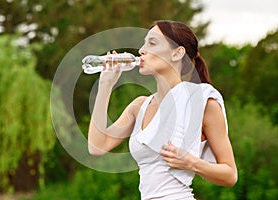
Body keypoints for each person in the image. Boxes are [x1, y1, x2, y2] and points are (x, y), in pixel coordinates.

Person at [87, 20, 237, 200]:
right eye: (144, 43)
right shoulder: (139, 106)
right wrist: (105, 85)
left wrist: (191, 162)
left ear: (177, 53)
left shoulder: (200, 103)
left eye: (152, 43)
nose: (141, 50)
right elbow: (96, 147)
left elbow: (230, 175)